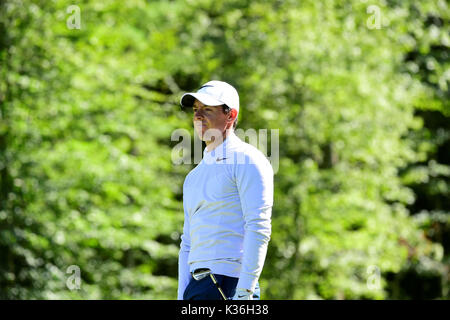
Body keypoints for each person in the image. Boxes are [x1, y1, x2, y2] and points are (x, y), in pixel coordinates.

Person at [177, 80, 274, 300]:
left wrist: (245, 292)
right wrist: (182, 296)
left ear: (230, 115)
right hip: (197, 287)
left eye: (208, 109)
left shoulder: (248, 160)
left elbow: (258, 226)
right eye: (195, 110)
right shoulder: (193, 177)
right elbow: (188, 243)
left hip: (229, 285)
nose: (198, 116)